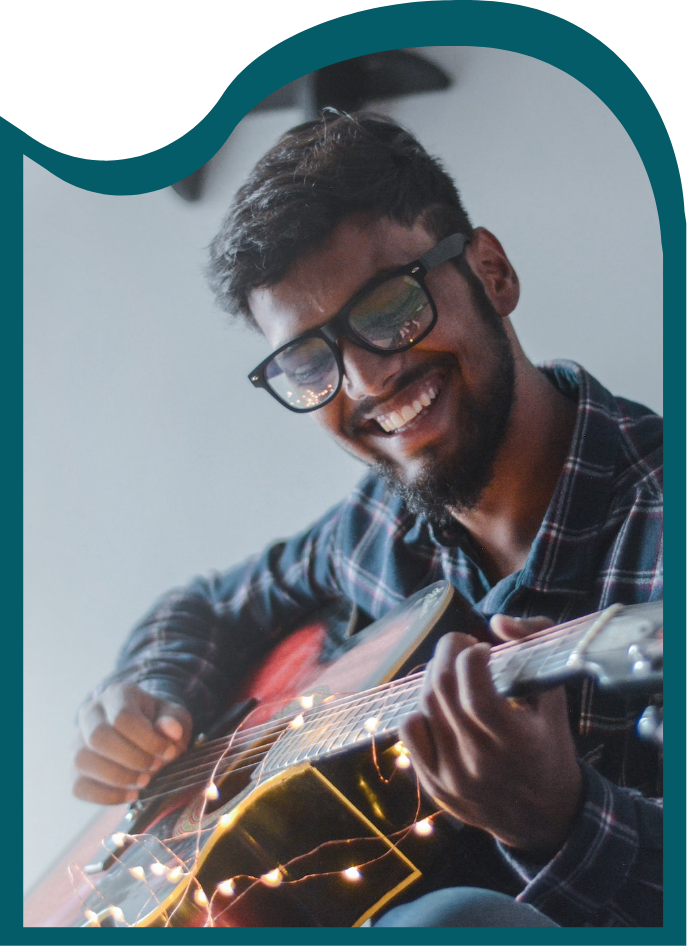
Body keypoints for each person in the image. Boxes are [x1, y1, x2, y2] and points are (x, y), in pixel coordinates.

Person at [71, 112, 662, 927]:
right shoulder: (375, 525)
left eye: (389, 306)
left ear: (491, 273)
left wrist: (557, 820)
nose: (366, 380)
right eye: (308, 360)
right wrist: (150, 696)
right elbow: (203, 605)